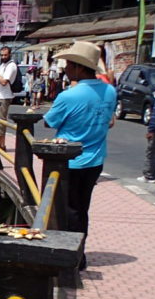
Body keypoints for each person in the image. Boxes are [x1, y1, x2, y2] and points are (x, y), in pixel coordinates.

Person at [43, 41, 117, 271]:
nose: (65, 68)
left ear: (78, 67)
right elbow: (108, 120)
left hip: (69, 160)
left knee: (65, 211)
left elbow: (49, 121)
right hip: (95, 159)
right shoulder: (110, 90)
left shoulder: (70, 95)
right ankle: (77, 254)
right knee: (81, 209)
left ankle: (70, 258)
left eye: (68, 64)